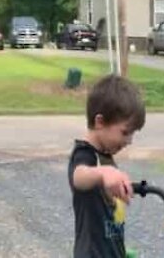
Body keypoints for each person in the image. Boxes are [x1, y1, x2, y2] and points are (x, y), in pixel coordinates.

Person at [67, 75, 146, 258]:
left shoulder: (106, 155)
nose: (129, 141)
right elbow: (79, 177)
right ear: (100, 122)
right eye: (125, 132)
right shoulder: (85, 154)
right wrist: (103, 172)